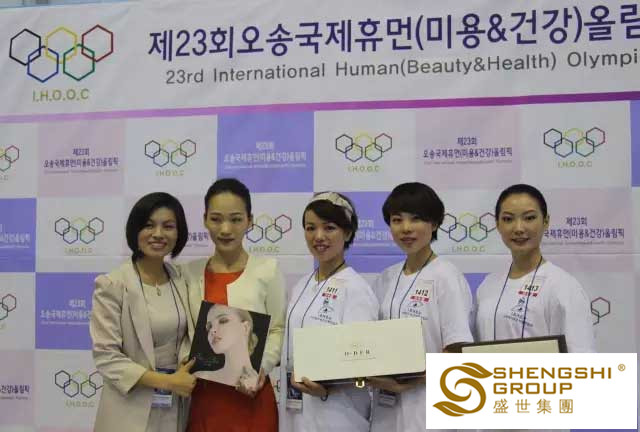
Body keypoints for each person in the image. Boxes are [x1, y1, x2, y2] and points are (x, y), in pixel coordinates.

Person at [368, 182, 474, 432]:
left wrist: (408, 381)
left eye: (416, 219)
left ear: (434, 223)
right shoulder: (386, 278)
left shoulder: (446, 276)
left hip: (431, 406)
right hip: (386, 408)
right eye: (397, 220)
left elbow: (458, 351)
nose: (406, 228)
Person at [183, 178, 285, 432]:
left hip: (252, 397)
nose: (225, 229)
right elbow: (182, 331)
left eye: (236, 219)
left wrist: (261, 368)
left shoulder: (267, 271)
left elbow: (277, 329)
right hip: (204, 398)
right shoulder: (188, 274)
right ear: (205, 219)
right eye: (216, 219)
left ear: (249, 221)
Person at [90, 192, 196, 432]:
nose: (158, 234)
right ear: (135, 230)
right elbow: (107, 357)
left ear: (178, 233)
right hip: (129, 411)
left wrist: (184, 364)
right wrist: (167, 381)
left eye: (168, 226)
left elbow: (188, 336)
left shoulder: (182, 279)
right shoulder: (113, 284)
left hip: (174, 408)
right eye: (148, 225)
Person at [279, 191, 379, 432]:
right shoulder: (302, 285)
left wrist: (328, 388)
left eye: (329, 228)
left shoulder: (356, 289)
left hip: (338, 416)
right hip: (296, 411)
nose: (318, 236)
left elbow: (364, 367)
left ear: (348, 233)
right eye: (310, 228)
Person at [474, 184, 595, 352]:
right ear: (497, 225)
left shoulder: (563, 287)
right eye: (508, 219)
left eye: (529, 218)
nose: (518, 228)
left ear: (546, 221)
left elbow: (581, 356)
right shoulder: (488, 285)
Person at [194, 303, 260, 391]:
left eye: (223, 321)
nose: (212, 330)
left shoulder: (262, 381)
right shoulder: (201, 377)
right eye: (209, 327)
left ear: (245, 327)